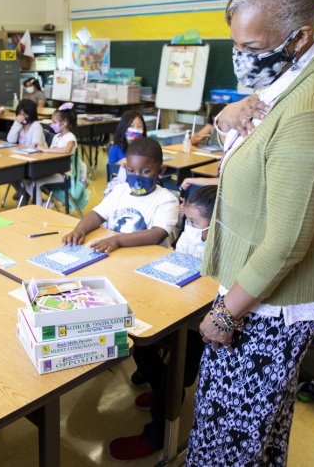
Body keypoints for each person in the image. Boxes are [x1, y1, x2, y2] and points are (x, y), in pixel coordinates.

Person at [186, 0, 314, 466]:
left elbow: (285, 240)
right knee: (264, 418)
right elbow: (255, 141)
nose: (242, 57)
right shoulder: (296, 74)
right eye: (235, 44)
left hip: (271, 297)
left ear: (300, 35)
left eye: (253, 47)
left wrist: (224, 313)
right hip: (263, 283)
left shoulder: (311, 110)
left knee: (231, 430)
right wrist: (225, 115)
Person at [109, 186, 217, 461]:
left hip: (200, 324)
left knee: (177, 374)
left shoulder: (224, 245)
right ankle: (164, 393)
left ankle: (157, 433)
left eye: (194, 222)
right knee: (143, 348)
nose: (189, 227)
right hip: (176, 306)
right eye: (188, 221)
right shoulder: (194, 231)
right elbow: (178, 257)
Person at [63, 137, 178, 253]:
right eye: (131, 171)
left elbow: (157, 234)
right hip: (119, 255)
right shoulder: (119, 191)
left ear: (160, 171)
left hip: (150, 258)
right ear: (125, 168)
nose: (137, 177)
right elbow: (97, 215)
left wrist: (118, 240)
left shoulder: (167, 200)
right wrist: (79, 230)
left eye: (146, 171)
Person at [28, 103, 78, 206]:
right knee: (27, 179)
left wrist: (46, 150)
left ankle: (40, 208)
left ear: (63, 123)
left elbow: (67, 150)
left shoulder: (70, 137)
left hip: (63, 175)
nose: (51, 124)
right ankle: (42, 204)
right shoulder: (57, 136)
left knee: (35, 183)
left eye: (54, 122)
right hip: (53, 170)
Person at [8, 99, 47, 202]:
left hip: (37, 162)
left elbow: (35, 146)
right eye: (20, 115)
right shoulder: (19, 126)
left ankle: (27, 194)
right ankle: (23, 192)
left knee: (16, 173)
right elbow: (10, 140)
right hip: (23, 160)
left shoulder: (36, 126)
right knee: (6, 173)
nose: (22, 118)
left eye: (25, 115)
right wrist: (16, 123)